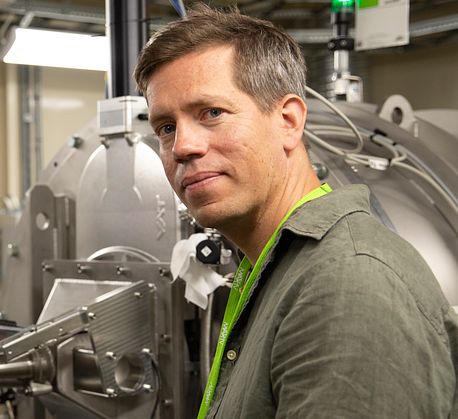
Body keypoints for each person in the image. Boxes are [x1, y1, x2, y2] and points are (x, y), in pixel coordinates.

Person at [134, 5, 458, 418]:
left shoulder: (346, 284)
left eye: (211, 113)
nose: (182, 147)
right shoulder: (269, 267)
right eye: (166, 127)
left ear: (288, 120)